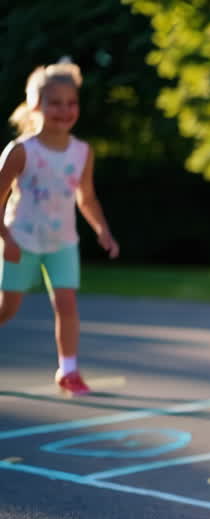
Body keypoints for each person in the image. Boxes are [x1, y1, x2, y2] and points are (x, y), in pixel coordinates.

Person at [0, 59, 119, 397]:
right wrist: (5, 238)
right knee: (7, 309)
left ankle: (68, 370)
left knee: (66, 304)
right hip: (20, 240)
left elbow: (87, 197)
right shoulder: (21, 152)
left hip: (63, 242)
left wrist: (103, 230)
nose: (64, 110)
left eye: (71, 103)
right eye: (55, 102)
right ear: (35, 105)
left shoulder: (82, 151)